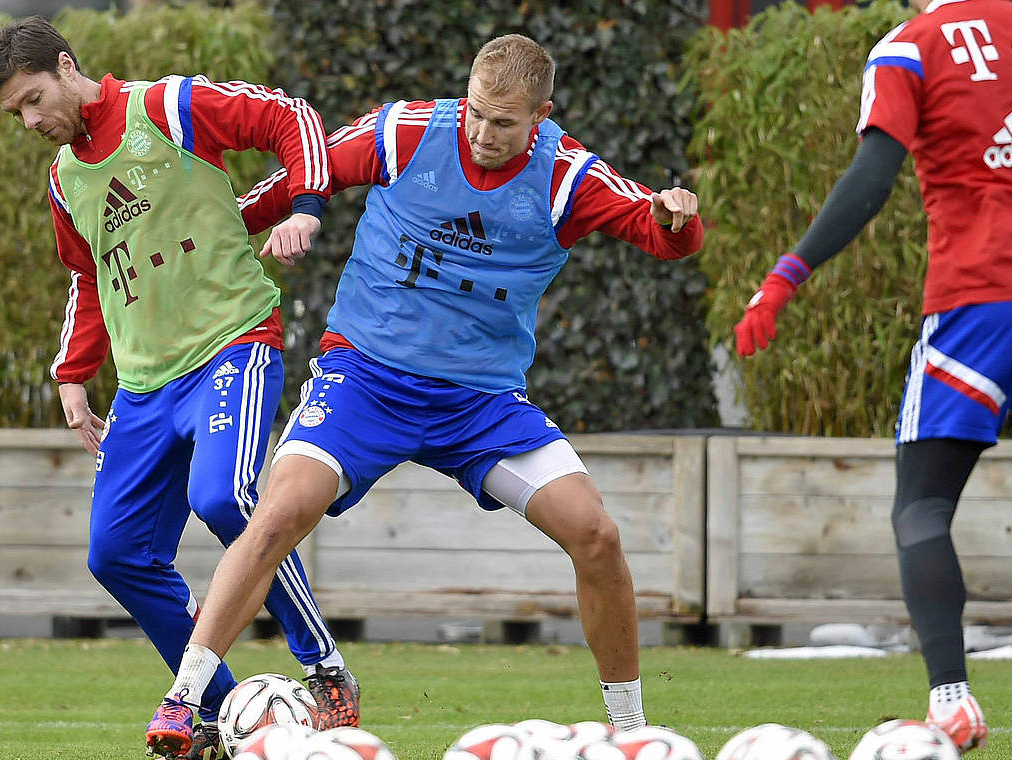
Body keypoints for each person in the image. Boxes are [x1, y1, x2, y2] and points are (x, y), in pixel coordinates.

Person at [144, 32, 703, 758]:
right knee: (276, 512)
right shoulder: (407, 131)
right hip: (365, 379)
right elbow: (308, 169)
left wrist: (675, 217)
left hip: (480, 403)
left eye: (505, 122)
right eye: (475, 113)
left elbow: (660, 232)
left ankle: (631, 733)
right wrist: (229, 225)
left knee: (595, 533)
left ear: (542, 115)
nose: (484, 133)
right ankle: (183, 698)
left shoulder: (566, 176)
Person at [731, 0, 1012, 757]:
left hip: (975, 306)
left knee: (922, 509)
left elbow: (873, 174)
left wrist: (788, 273)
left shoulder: (910, 45)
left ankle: (952, 704)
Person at [0, 17, 360, 759]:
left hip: (231, 347)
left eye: (32, 100)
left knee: (224, 498)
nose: (28, 122)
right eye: (14, 113)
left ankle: (326, 670)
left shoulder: (169, 107)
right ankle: (221, 711)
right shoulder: (64, 179)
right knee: (115, 554)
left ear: (65, 66)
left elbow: (290, 117)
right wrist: (73, 375)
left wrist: (307, 204)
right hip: (144, 389)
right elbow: (90, 276)